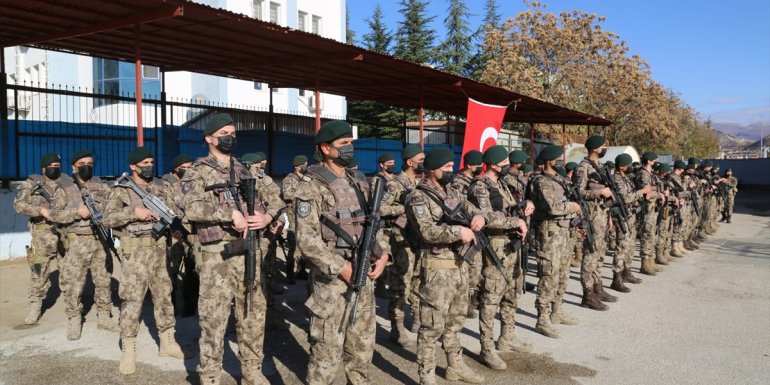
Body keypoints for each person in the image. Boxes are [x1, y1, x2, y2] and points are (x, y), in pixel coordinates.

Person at [181, 113, 284, 385]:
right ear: (209, 138)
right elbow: (192, 207)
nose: (230, 137)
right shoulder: (197, 171)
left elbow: (277, 198)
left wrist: (269, 218)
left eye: (232, 132)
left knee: (252, 315)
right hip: (218, 258)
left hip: (251, 253)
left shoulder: (247, 169)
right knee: (213, 320)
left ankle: (252, 371)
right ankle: (210, 375)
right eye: (224, 133)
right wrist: (229, 215)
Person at [294, 120, 390, 385]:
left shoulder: (360, 181)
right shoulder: (311, 186)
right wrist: (341, 268)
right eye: (343, 144)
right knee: (326, 352)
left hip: (364, 276)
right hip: (332, 282)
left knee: (361, 349)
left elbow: (374, 223)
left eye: (351, 142)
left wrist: (383, 256)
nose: (350, 148)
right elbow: (307, 239)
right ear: (325, 148)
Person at [102, 147, 189, 375]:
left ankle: (167, 342)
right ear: (133, 166)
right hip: (136, 254)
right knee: (131, 300)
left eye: (152, 161)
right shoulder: (121, 189)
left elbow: (172, 213)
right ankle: (128, 349)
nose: (149, 165)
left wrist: (177, 231)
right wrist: (134, 211)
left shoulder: (161, 187)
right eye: (145, 162)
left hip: (160, 252)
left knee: (164, 297)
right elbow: (108, 218)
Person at [406, 146, 487, 385]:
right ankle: (427, 375)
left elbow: (474, 209)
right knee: (431, 326)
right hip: (436, 268)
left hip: (460, 264)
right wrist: (457, 231)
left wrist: (478, 216)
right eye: (446, 167)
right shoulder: (418, 196)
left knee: (456, 321)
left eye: (452, 166)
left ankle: (455, 366)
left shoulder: (453, 191)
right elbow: (426, 231)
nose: (451, 170)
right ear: (432, 168)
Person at [467, 145, 531, 369]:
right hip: (495, 247)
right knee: (491, 297)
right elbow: (486, 217)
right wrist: (516, 222)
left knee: (512, 291)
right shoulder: (480, 186)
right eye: (504, 162)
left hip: (510, 245)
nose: (508, 165)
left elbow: (508, 208)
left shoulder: (501, 184)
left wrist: (523, 207)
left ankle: (507, 335)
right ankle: (487, 348)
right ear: (494, 164)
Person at [48, 149, 118, 340]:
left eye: (90, 163)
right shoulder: (64, 188)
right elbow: (53, 215)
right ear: (73, 167)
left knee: (104, 281)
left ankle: (104, 317)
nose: (87, 167)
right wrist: (76, 212)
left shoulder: (102, 186)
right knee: (74, 284)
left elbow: (115, 206)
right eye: (82, 164)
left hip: (100, 239)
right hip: (77, 241)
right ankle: (74, 320)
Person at [530, 145, 583, 336]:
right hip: (550, 233)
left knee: (563, 273)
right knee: (549, 275)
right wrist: (572, 206)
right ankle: (542, 318)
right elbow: (552, 207)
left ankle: (556, 311)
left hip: (564, 232)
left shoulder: (559, 179)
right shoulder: (542, 181)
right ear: (549, 161)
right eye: (558, 158)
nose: (561, 160)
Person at [13, 152, 64, 325]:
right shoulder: (31, 183)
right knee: (38, 272)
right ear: (43, 168)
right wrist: (40, 211)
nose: (55, 169)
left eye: (58, 166)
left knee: (70, 271)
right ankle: (35, 307)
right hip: (42, 234)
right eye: (52, 166)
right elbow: (18, 205)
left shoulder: (66, 182)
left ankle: (72, 307)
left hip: (65, 234)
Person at [379, 144, 423, 346]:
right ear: (409, 161)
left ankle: (416, 317)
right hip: (400, 239)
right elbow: (380, 208)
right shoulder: (394, 184)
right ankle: (396, 327)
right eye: (420, 159)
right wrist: (405, 207)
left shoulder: (420, 183)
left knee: (418, 281)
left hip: (419, 239)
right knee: (400, 284)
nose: (423, 162)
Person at [574, 135, 616, 310]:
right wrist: (599, 193)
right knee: (590, 254)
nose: (605, 148)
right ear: (595, 148)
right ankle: (588, 294)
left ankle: (598, 287)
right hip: (591, 216)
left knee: (599, 253)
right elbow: (578, 192)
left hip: (602, 214)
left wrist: (609, 217)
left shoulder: (599, 167)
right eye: (603, 145)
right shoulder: (583, 167)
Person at [161, 153, 197, 317]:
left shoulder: (194, 182)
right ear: (176, 169)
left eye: (190, 167)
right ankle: (172, 306)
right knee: (172, 270)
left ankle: (191, 306)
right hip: (174, 232)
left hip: (193, 232)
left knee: (193, 269)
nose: (188, 171)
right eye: (184, 168)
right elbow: (165, 209)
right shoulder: (165, 184)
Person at [450, 150, 483, 319]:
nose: (481, 168)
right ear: (470, 165)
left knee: (476, 268)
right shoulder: (458, 183)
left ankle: (472, 299)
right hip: (464, 230)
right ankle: (465, 303)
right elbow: (457, 208)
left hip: (475, 227)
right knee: (468, 268)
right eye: (478, 165)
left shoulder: (474, 181)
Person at [609, 154, 650, 292]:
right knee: (622, 246)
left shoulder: (626, 178)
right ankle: (617, 278)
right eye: (628, 165)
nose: (630, 167)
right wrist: (642, 192)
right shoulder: (617, 179)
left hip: (631, 215)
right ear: (622, 166)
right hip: (622, 215)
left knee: (630, 244)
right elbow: (624, 198)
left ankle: (627, 271)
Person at [281, 154, 310, 284]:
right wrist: (302, 194)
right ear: (298, 166)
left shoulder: (307, 179)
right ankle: (290, 273)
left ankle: (301, 270)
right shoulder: (289, 179)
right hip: (294, 216)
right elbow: (287, 195)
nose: (306, 167)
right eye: (304, 164)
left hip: (306, 216)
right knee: (293, 246)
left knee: (304, 245)